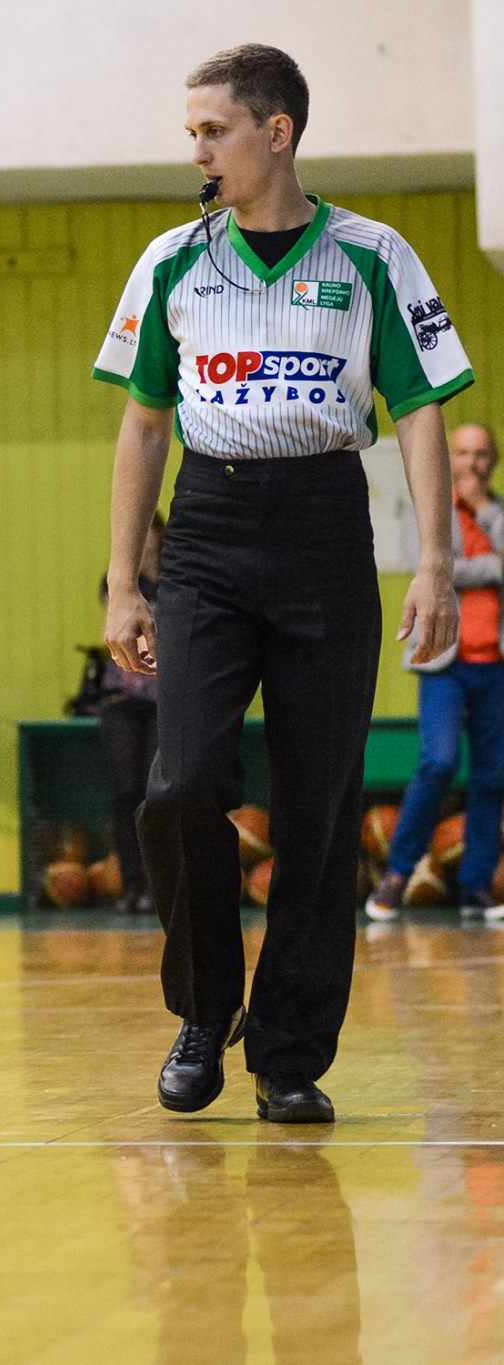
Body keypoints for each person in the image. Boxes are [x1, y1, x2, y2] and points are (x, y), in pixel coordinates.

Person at [97, 45, 469, 1124]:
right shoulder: (172, 260)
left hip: (323, 527)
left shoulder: (373, 255)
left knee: (318, 805)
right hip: (207, 533)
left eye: (212, 130)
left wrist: (434, 562)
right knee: (180, 784)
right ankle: (204, 1008)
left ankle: (290, 1054)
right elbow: (142, 424)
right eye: (191, 134)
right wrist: (124, 582)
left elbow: (420, 408)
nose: (197, 151)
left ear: (276, 131)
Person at [369, 422, 504, 923]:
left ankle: (476, 888)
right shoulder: (428, 511)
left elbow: (457, 568)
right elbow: (426, 567)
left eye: (481, 454)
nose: (472, 463)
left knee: (492, 776)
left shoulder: (497, 512)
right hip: (444, 662)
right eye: (463, 453)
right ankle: (396, 876)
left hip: (496, 665)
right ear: (449, 458)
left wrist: (484, 510)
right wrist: (492, 566)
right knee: (439, 762)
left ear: (492, 461)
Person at [97, 515, 167, 915]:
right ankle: (131, 885)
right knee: (126, 792)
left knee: (156, 792)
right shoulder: (118, 583)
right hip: (123, 697)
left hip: (162, 697)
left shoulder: (177, 580)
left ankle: (158, 885)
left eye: (149, 534)